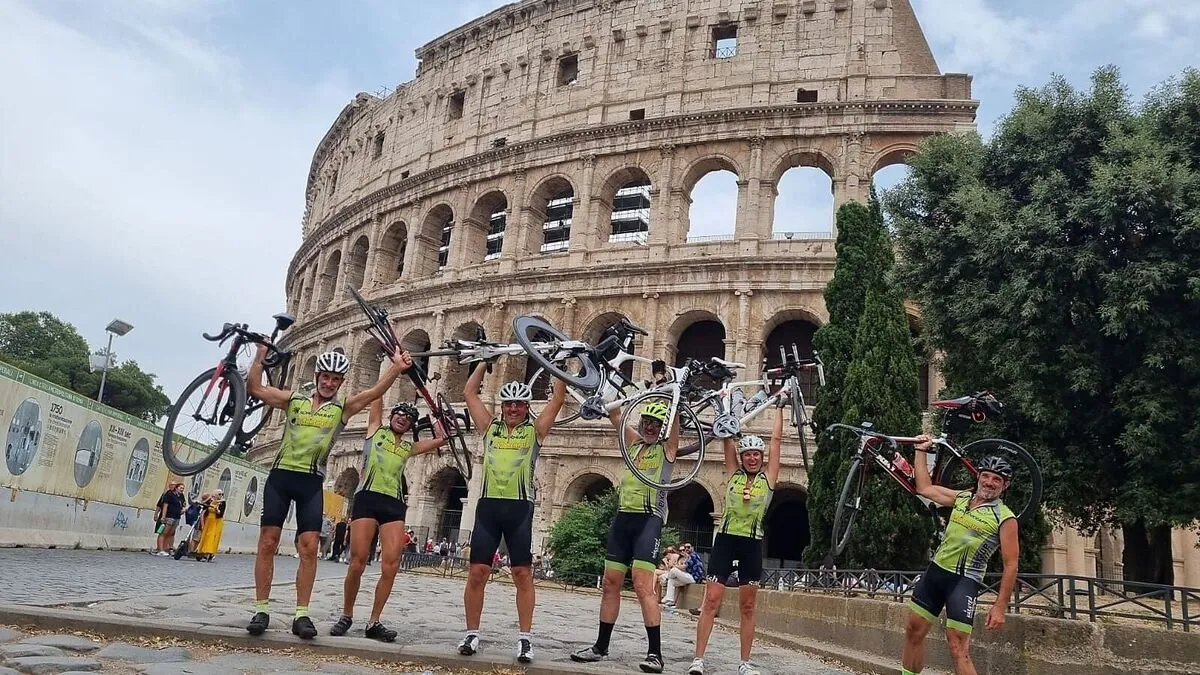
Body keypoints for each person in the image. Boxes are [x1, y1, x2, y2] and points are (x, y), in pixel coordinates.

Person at [243, 347, 413, 639]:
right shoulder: (293, 400)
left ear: (341, 382)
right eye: (326, 377)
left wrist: (396, 369)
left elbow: (373, 393)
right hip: (281, 475)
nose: (330, 383)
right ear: (318, 376)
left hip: (311, 480)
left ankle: (302, 614)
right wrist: (259, 356)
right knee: (268, 542)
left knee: (309, 546)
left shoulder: (342, 409)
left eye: (336, 379)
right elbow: (256, 388)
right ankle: (261, 609)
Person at [457, 364, 567, 664]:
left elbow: (557, 400)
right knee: (477, 572)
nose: (514, 409)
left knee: (522, 573)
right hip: (489, 507)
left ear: (526, 407)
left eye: (519, 404)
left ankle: (525, 639)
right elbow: (468, 393)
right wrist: (483, 362)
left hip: (519, 508)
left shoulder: (535, 430)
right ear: (503, 406)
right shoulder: (489, 427)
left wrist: (556, 367)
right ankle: (471, 633)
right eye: (509, 404)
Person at [570, 400, 681, 673]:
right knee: (610, 583)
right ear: (642, 424)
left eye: (657, 424)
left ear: (663, 428)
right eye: (647, 423)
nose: (651, 428)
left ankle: (655, 654)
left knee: (644, 586)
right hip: (623, 518)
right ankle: (600, 646)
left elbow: (676, 428)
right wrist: (606, 392)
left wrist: (675, 398)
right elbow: (615, 416)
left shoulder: (666, 450)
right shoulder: (633, 444)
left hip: (649, 520)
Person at [329, 397, 448, 642]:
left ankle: (374, 621)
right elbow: (377, 396)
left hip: (393, 504)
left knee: (391, 565)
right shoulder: (375, 431)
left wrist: (438, 421)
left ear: (411, 426)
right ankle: (346, 614)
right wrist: (394, 368)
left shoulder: (408, 448)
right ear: (391, 414)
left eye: (409, 417)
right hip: (367, 497)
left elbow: (442, 440)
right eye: (400, 413)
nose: (403, 417)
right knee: (358, 562)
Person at [901, 439, 1019, 675]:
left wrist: (1000, 606)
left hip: (964, 581)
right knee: (913, 631)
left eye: (997, 479)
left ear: (1005, 486)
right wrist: (920, 450)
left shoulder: (1005, 518)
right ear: (979, 477)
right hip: (936, 572)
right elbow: (924, 488)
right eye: (986, 476)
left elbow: (1011, 564)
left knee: (957, 645)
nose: (989, 482)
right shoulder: (961, 498)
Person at [689, 405, 784, 675]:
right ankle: (698, 659)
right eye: (747, 454)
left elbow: (776, 442)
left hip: (752, 544)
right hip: (726, 541)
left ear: (762, 457)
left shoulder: (769, 480)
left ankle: (744, 662)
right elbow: (727, 436)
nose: (752, 458)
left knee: (748, 605)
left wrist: (779, 408)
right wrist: (726, 406)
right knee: (711, 600)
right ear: (741, 457)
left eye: (756, 454)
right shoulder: (733, 473)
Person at [663, 542, 703, 607]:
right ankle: (670, 600)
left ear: (692, 548)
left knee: (673, 570)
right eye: (685, 547)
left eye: (688, 547)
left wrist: (674, 566)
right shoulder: (686, 557)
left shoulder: (693, 555)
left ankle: (666, 578)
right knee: (672, 581)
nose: (686, 549)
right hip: (687, 577)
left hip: (693, 578)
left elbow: (684, 567)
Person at [194, 489, 227, 562]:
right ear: (214, 494)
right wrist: (208, 500)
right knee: (206, 536)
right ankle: (202, 551)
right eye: (219, 494)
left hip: (217, 521)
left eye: (222, 494)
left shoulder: (222, 502)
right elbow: (204, 507)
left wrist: (217, 510)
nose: (220, 496)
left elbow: (221, 513)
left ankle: (210, 553)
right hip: (209, 521)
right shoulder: (211, 501)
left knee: (213, 537)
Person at [154, 482, 186, 556]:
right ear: (176, 488)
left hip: (177, 516)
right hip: (169, 516)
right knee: (163, 532)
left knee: (171, 533)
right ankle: (160, 549)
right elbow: (164, 505)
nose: (182, 489)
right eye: (181, 488)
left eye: (183, 488)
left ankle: (166, 548)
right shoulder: (168, 494)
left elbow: (184, 504)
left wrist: (183, 509)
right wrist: (162, 516)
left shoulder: (181, 496)